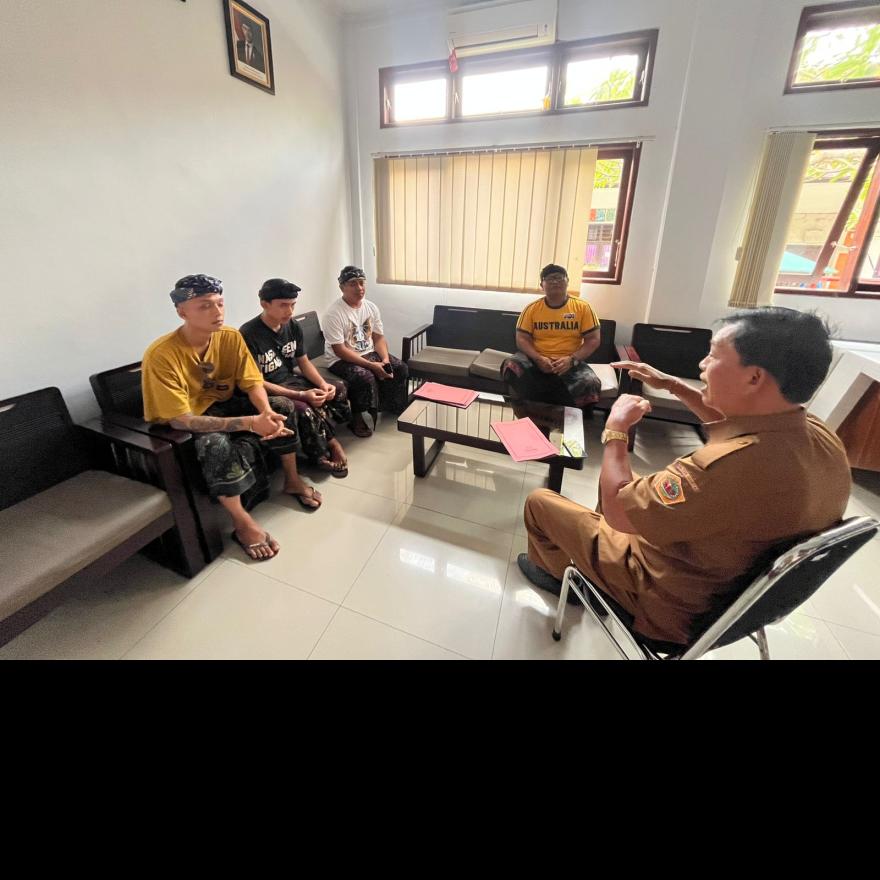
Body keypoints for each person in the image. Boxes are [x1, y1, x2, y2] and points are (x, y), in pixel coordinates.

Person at [518, 307, 851, 647]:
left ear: (754, 378)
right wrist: (672, 385)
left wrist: (616, 430)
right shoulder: (819, 436)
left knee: (540, 503)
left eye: (714, 355)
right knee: (626, 488)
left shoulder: (723, 469)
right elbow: (734, 424)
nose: (702, 365)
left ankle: (560, 578)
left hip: (665, 603)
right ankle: (594, 563)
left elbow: (619, 512)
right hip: (727, 591)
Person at [142, 274, 324, 563]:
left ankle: (291, 479)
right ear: (182, 312)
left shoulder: (229, 337)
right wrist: (251, 422)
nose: (217, 312)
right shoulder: (162, 354)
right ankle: (241, 522)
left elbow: (252, 382)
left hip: (225, 404)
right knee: (215, 444)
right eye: (205, 306)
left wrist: (265, 412)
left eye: (220, 303)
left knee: (282, 406)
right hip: (190, 420)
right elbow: (180, 420)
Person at [239, 278, 351, 477]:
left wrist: (323, 384)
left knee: (338, 388)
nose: (290, 311)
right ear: (264, 304)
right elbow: (257, 383)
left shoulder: (292, 326)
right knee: (303, 408)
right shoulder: (248, 334)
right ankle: (322, 452)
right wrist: (301, 395)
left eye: (292, 305)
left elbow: (303, 362)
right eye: (283, 305)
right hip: (268, 390)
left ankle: (328, 436)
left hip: (290, 378)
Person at [322, 266, 409, 438]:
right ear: (342, 287)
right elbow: (339, 350)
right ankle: (356, 418)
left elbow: (378, 338)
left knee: (399, 368)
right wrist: (371, 365)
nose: (359, 288)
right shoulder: (333, 313)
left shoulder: (371, 307)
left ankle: (389, 404)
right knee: (364, 377)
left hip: (368, 352)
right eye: (353, 284)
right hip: (340, 359)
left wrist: (384, 360)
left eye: (362, 283)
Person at [502, 264, 602, 409]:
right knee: (510, 366)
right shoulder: (531, 309)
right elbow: (522, 339)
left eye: (559, 278)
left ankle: (567, 418)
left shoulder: (583, 307)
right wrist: (538, 358)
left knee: (590, 383)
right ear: (541, 285)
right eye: (549, 278)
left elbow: (593, 339)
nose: (555, 281)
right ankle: (526, 411)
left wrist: (572, 360)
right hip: (536, 361)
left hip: (570, 362)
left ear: (567, 281)